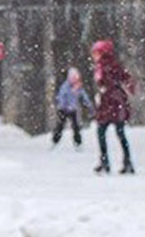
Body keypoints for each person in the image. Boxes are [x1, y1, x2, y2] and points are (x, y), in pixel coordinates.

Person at [91, 38, 137, 174]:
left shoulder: (104, 66)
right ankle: (127, 162)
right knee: (120, 132)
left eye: (96, 53)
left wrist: (106, 90)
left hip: (110, 102)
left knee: (102, 131)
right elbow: (126, 78)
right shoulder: (113, 64)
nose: (94, 56)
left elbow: (106, 82)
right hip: (117, 102)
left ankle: (105, 162)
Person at [51, 67, 89, 148]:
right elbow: (61, 96)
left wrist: (88, 104)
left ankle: (78, 142)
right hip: (64, 109)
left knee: (75, 126)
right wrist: (62, 105)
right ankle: (55, 140)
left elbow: (83, 95)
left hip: (73, 109)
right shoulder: (66, 86)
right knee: (60, 125)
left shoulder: (78, 86)